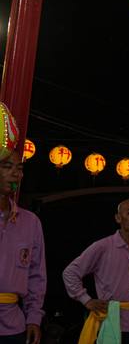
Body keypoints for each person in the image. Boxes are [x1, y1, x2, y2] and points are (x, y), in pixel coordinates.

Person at [63, 198, 129, 344]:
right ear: (118, 218)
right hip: (107, 318)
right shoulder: (103, 246)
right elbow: (70, 272)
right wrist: (86, 300)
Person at [0, 144, 46, 344]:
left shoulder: (30, 222)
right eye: (7, 166)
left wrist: (34, 318)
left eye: (19, 168)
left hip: (13, 326)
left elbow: (36, 275)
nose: (15, 174)